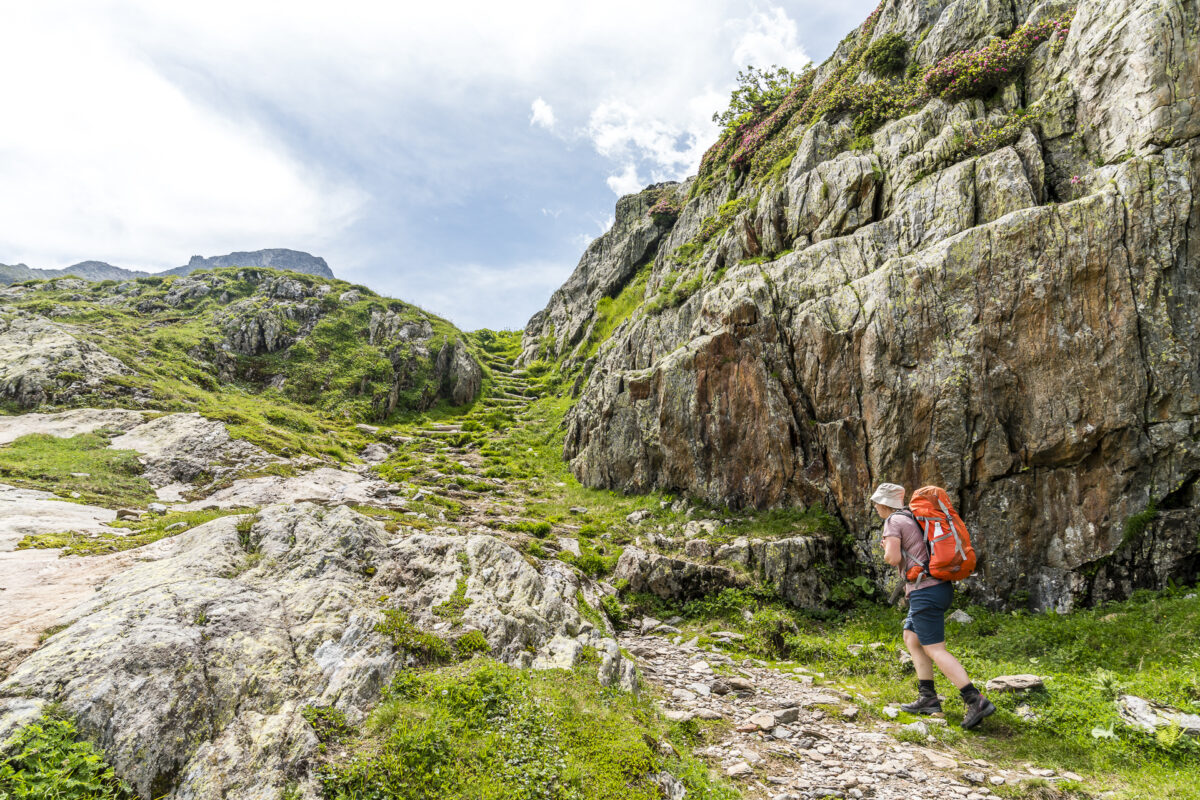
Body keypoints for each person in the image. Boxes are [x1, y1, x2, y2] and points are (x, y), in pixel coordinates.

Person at [871, 482, 995, 730]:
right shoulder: (913, 517)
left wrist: (886, 549)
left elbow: (893, 557)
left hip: (924, 590)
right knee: (911, 638)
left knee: (935, 649)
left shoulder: (894, 521)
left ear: (883, 504)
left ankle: (975, 699)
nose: (874, 506)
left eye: (876, 502)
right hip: (937, 587)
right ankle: (928, 698)